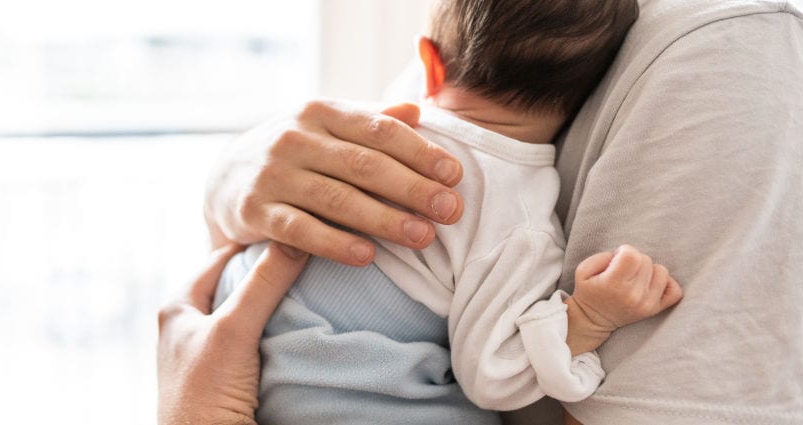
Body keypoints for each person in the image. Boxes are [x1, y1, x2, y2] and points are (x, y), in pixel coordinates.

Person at [160, 0, 803, 423]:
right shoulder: (517, 219)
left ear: (428, 61)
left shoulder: (402, 124)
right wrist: (587, 316)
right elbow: (496, 374)